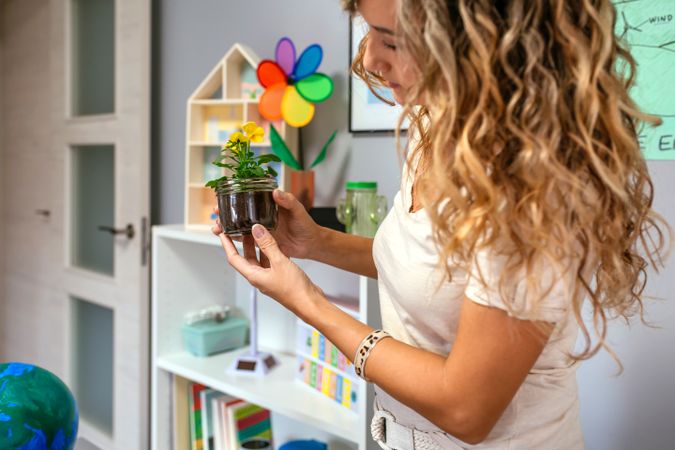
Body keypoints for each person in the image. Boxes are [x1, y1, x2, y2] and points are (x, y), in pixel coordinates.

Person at [212, 0, 670, 448]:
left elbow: (466, 409)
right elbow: (427, 266)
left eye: (391, 40)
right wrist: (316, 243)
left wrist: (308, 301)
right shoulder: (438, 125)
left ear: (476, 44)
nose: (370, 58)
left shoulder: (535, 186)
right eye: (369, 32)